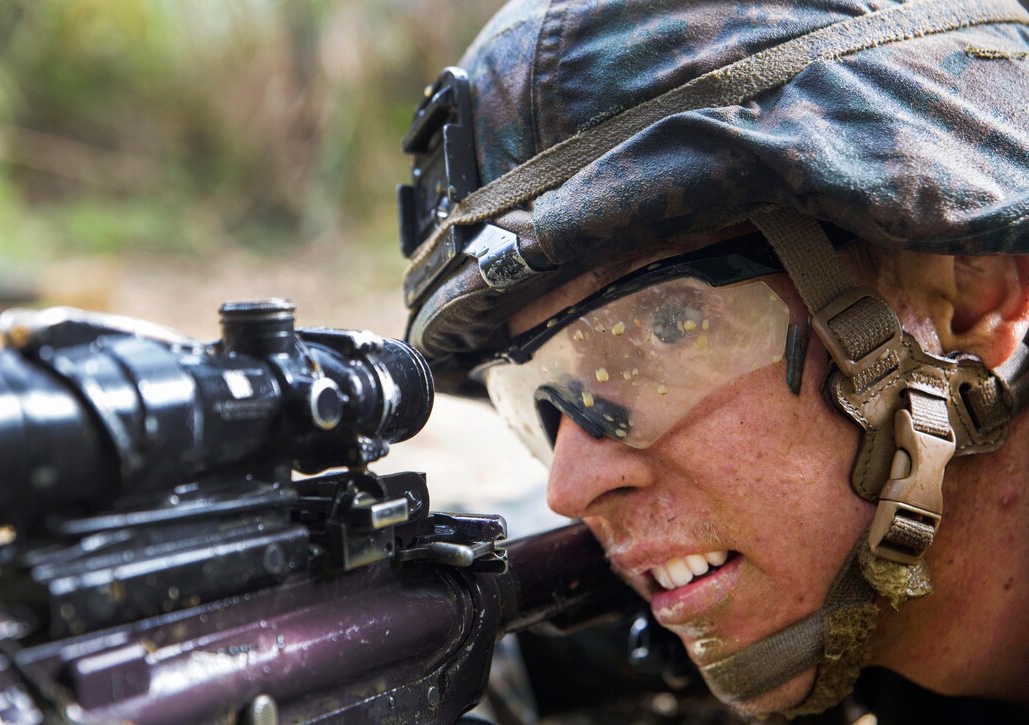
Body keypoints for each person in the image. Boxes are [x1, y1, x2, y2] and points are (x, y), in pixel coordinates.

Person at [396, 0, 1029, 720]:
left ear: (975, 287)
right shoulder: (787, 576)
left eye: (667, 327)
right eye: (540, 392)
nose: (570, 486)